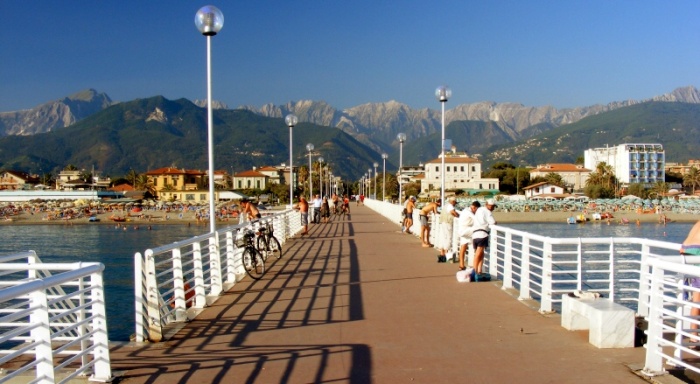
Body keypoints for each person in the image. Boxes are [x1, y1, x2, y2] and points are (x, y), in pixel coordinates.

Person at [681, 221, 700, 341]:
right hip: (697, 250)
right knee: (697, 298)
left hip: (686, 250)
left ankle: (694, 334)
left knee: (697, 296)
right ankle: (694, 335)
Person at [472, 199, 497, 279]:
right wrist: (495, 223)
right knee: (479, 253)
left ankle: (479, 270)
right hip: (482, 234)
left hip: (475, 233)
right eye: (493, 207)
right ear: (489, 206)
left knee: (480, 253)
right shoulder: (488, 212)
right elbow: (492, 222)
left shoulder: (479, 209)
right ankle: (474, 271)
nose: (493, 208)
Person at [457, 201, 478, 271]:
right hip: (466, 230)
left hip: (462, 230)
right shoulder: (469, 212)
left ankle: (461, 265)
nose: (476, 212)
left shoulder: (465, 210)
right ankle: (473, 264)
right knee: (479, 231)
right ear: (474, 207)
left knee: (463, 247)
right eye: (476, 210)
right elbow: (477, 219)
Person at [437, 196, 459, 262]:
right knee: (448, 238)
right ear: (453, 202)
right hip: (447, 223)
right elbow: (453, 212)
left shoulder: (445, 206)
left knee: (443, 237)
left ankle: (442, 255)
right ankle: (446, 255)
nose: (455, 204)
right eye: (455, 203)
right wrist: (458, 215)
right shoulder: (450, 206)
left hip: (443, 222)